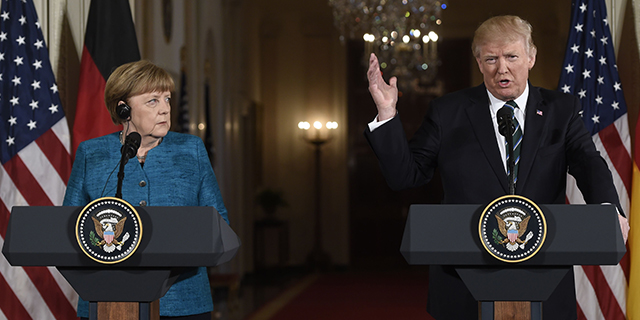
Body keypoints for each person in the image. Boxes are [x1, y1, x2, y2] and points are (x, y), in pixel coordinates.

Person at [364, 15, 630, 320]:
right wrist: (387, 113)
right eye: (491, 58)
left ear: (531, 58)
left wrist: (609, 207)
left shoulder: (561, 110)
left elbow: (588, 163)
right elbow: (405, 176)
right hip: (462, 280)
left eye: (511, 57)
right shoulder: (448, 112)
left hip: (542, 274)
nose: (501, 68)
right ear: (479, 62)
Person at [63, 60, 229, 320]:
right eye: (153, 101)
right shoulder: (91, 153)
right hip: (106, 302)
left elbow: (218, 223)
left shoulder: (191, 149)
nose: (165, 110)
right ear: (124, 109)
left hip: (183, 303)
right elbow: (69, 226)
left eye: (167, 99)